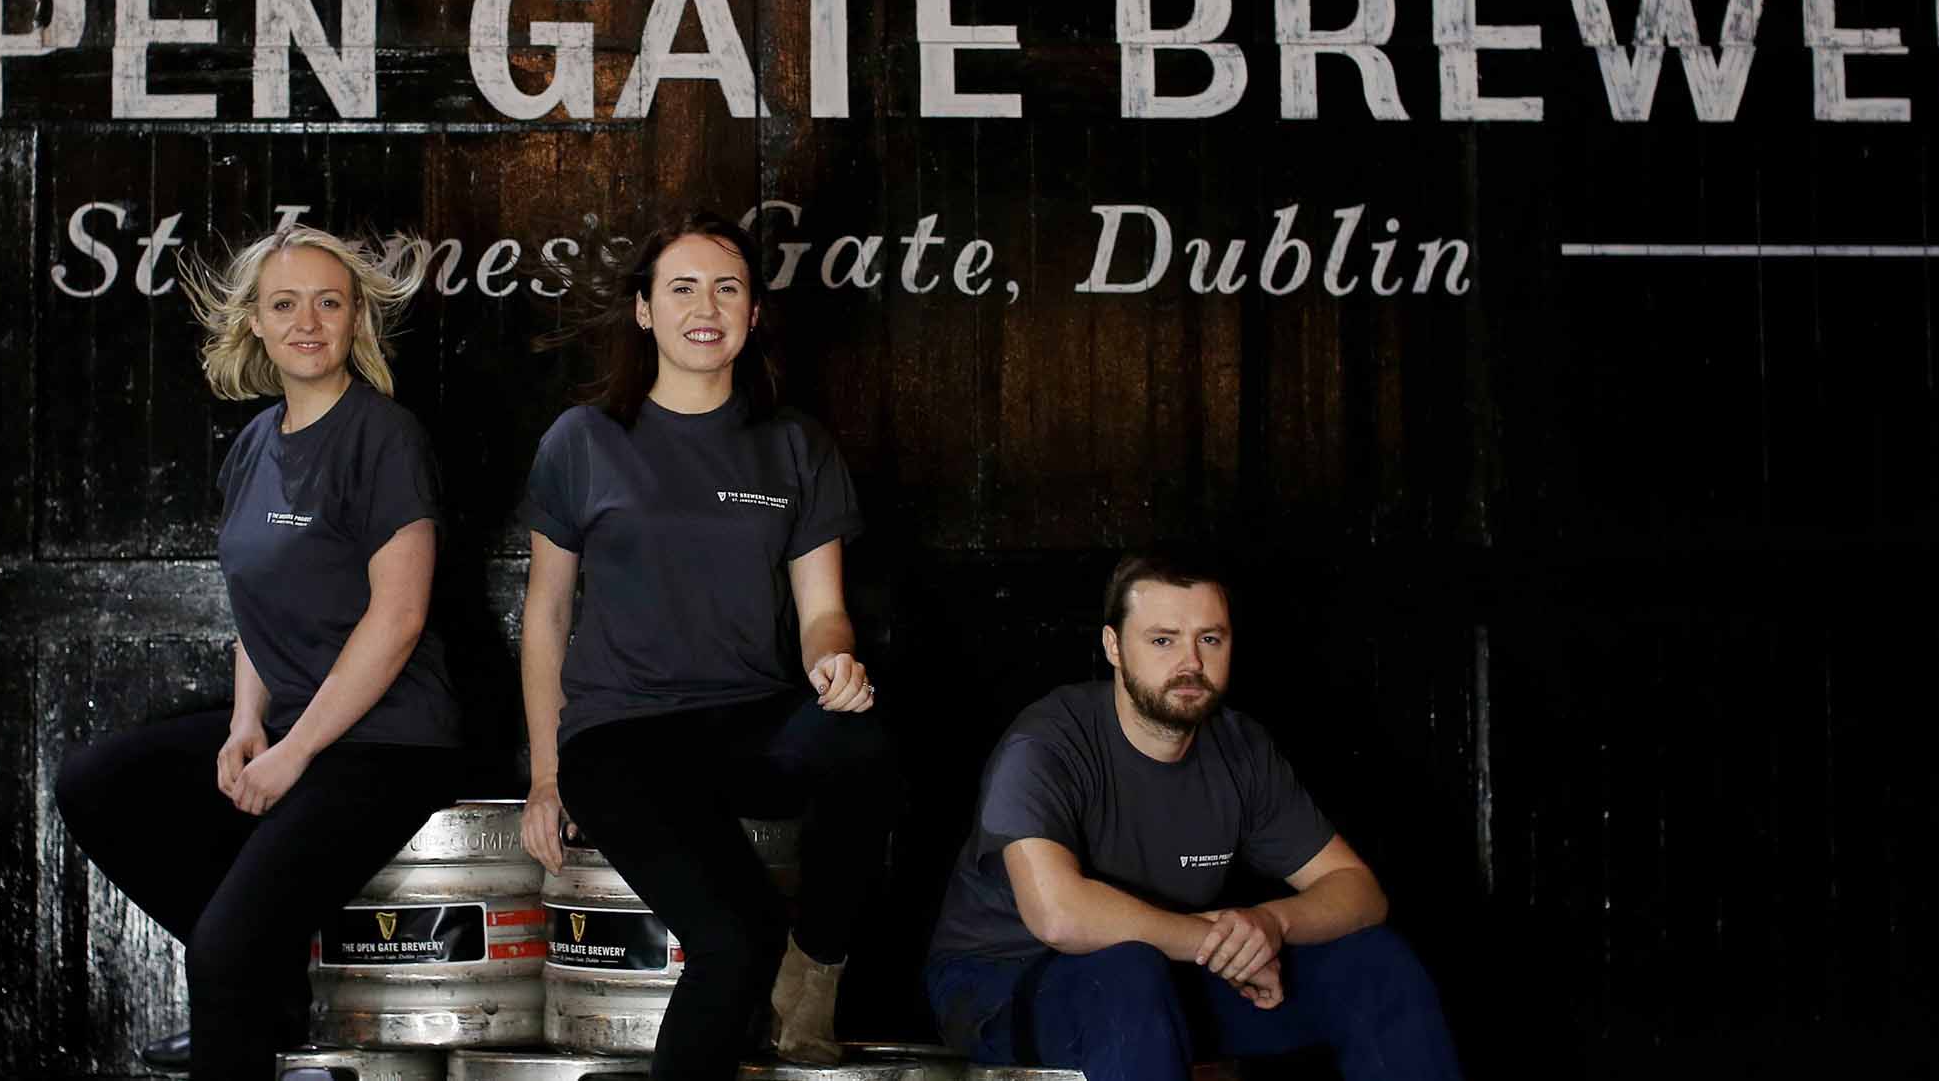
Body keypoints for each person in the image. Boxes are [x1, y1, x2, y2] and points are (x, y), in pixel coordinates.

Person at [52, 223, 463, 1081]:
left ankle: (244, 980)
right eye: (285, 303)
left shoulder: (385, 437)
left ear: (356, 320)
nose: (307, 320)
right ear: (256, 325)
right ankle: (262, 985)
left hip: (387, 740)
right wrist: (246, 725)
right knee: (97, 783)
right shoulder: (252, 446)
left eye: (328, 301)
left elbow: (398, 617)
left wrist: (292, 754)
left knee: (223, 951)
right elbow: (258, 611)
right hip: (296, 728)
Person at [517, 211, 900, 1079]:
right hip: (622, 737)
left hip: (747, 720)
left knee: (863, 741)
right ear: (645, 311)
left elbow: (821, 611)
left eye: (728, 287)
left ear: (754, 312)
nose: (706, 305)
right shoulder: (583, 442)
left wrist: (834, 664)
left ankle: (818, 968)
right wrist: (546, 772)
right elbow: (545, 614)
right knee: (735, 938)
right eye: (681, 286)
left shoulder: (794, 444)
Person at [922, 544, 1464, 1081]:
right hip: (1003, 980)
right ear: (1113, 646)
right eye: (1162, 640)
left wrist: (1268, 925)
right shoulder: (1045, 742)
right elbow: (1059, 916)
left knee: (1375, 964)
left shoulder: (1240, 748)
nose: (1191, 663)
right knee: (1128, 973)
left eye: (1210, 639)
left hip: (1172, 970)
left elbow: (1359, 891)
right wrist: (1219, 943)